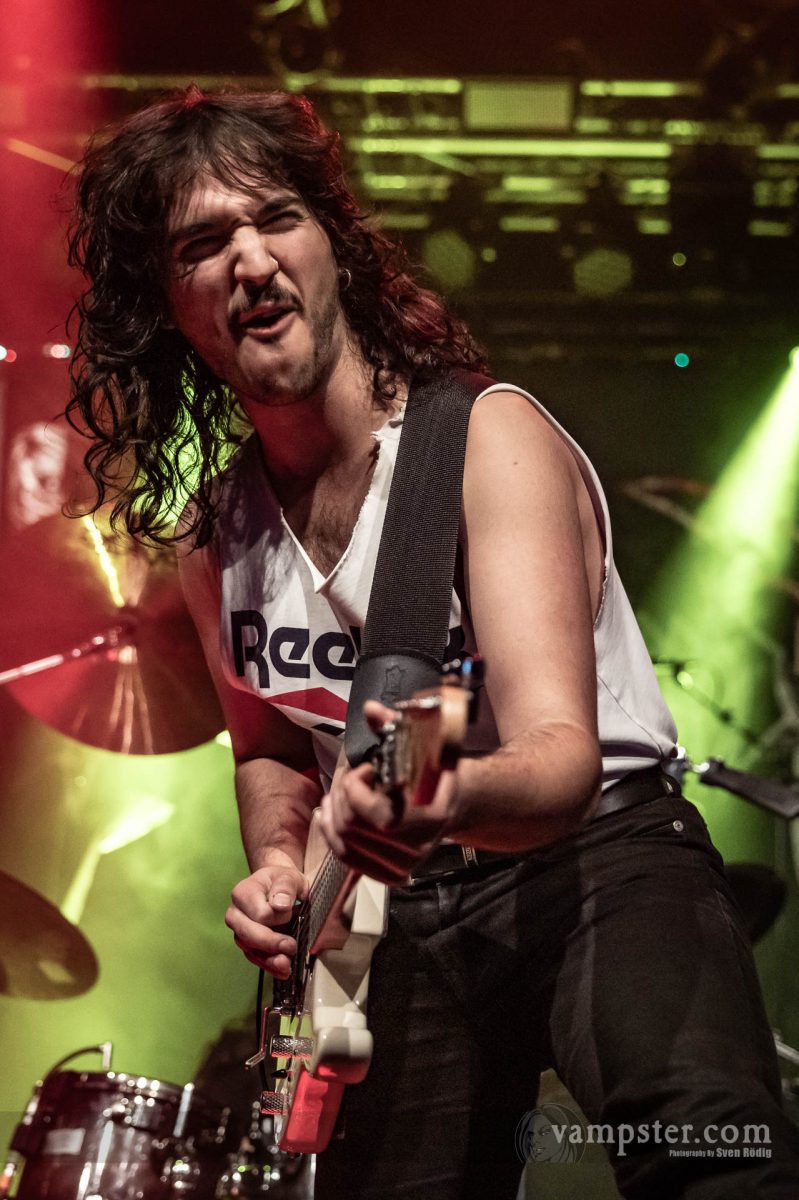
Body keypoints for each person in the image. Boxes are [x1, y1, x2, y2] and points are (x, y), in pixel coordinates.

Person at [65, 87, 799, 1199]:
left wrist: (434, 795)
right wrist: (279, 867)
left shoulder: (483, 440)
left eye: (277, 220)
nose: (251, 262)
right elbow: (268, 743)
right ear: (169, 305)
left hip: (597, 864)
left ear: (334, 249)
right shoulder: (218, 535)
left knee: (715, 1165)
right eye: (203, 245)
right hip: (391, 912)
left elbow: (558, 760)